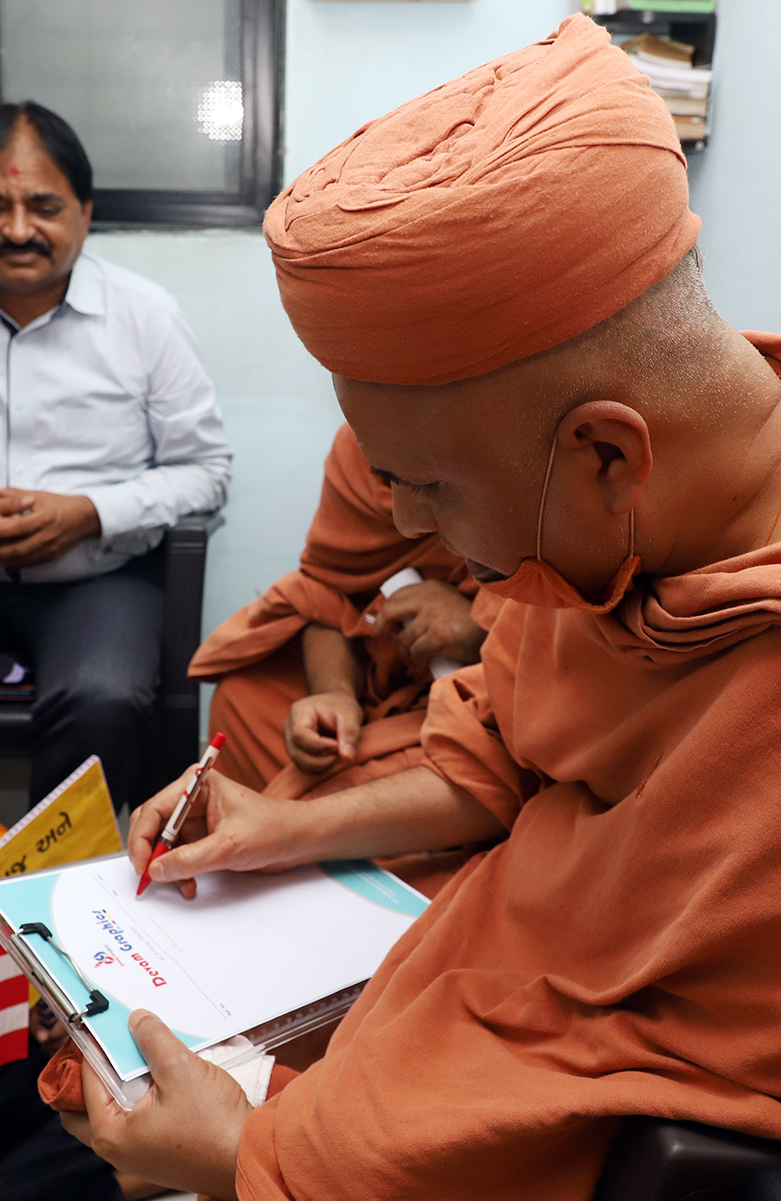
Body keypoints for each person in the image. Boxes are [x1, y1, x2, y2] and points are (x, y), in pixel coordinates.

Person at [49, 14, 781, 1201]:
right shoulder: (617, 523)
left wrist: (248, 1156)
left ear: (605, 454)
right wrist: (267, 829)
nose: (401, 527)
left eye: (428, 489)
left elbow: (590, 1046)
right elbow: (496, 748)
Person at [0, 101, 231, 813]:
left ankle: (52, 878)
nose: (18, 230)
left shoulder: (144, 315)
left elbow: (207, 472)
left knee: (105, 695)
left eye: (44, 206)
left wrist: (90, 513)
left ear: (85, 214)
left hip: (99, 580)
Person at [191, 419, 500, 894]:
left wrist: (478, 627)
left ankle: (293, 843)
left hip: (488, 704)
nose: (406, 520)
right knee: (243, 702)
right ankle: (286, 844)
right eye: (387, 479)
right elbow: (326, 587)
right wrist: (335, 694)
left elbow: (557, 648)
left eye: (430, 485)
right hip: (382, 678)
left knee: (342, 791)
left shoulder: (512, 448)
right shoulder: (366, 437)